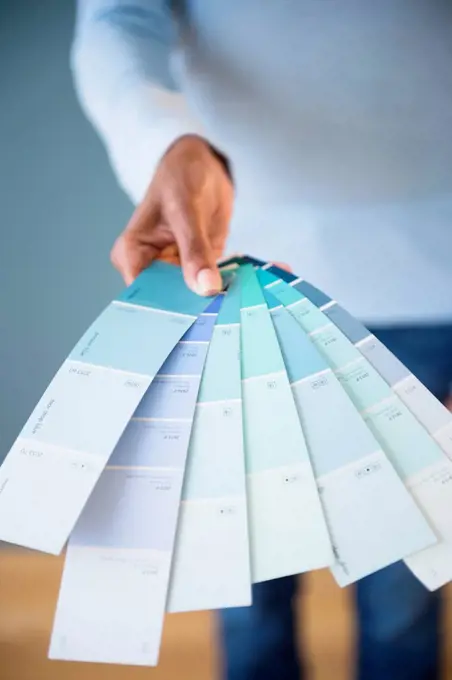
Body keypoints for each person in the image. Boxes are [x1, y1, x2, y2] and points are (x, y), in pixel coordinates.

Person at [72, 2, 452, 678]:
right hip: (237, 280)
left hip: (431, 281)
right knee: (246, 583)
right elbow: (118, 19)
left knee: (404, 590)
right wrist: (165, 140)